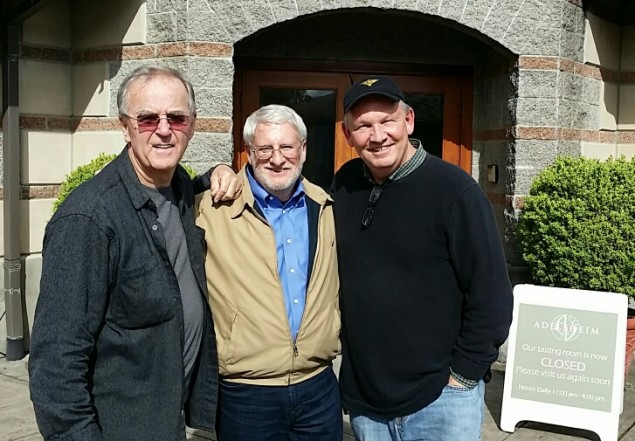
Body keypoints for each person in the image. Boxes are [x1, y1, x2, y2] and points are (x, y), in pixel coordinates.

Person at [29, 64, 241, 441]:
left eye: (176, 118)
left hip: (169, 419)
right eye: (147, 119)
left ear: (191, 125)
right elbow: (56, 362)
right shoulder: (88, 219)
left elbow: (190, 187)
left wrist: (218, 172)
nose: (163, 130)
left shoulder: (177, 190)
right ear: (125, 127)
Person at [331, 76, 513, 441]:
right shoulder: (346, 184)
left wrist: (462, 375)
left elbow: (491, 296)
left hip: (441, 401)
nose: (377, 135)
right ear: (349, 135)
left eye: (387, 121)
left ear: (409, 121)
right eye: (364, 126)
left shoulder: (455, 191)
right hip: (368, 404)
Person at [196, 104, 342, 440]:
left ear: (303, 150)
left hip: (318, 385)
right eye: (265, 149)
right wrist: (212, 172)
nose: (277, 159)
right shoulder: (211, 208)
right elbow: (166, 193)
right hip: (247, 393)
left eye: (287, 147)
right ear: (249, 151)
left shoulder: (326, 208)